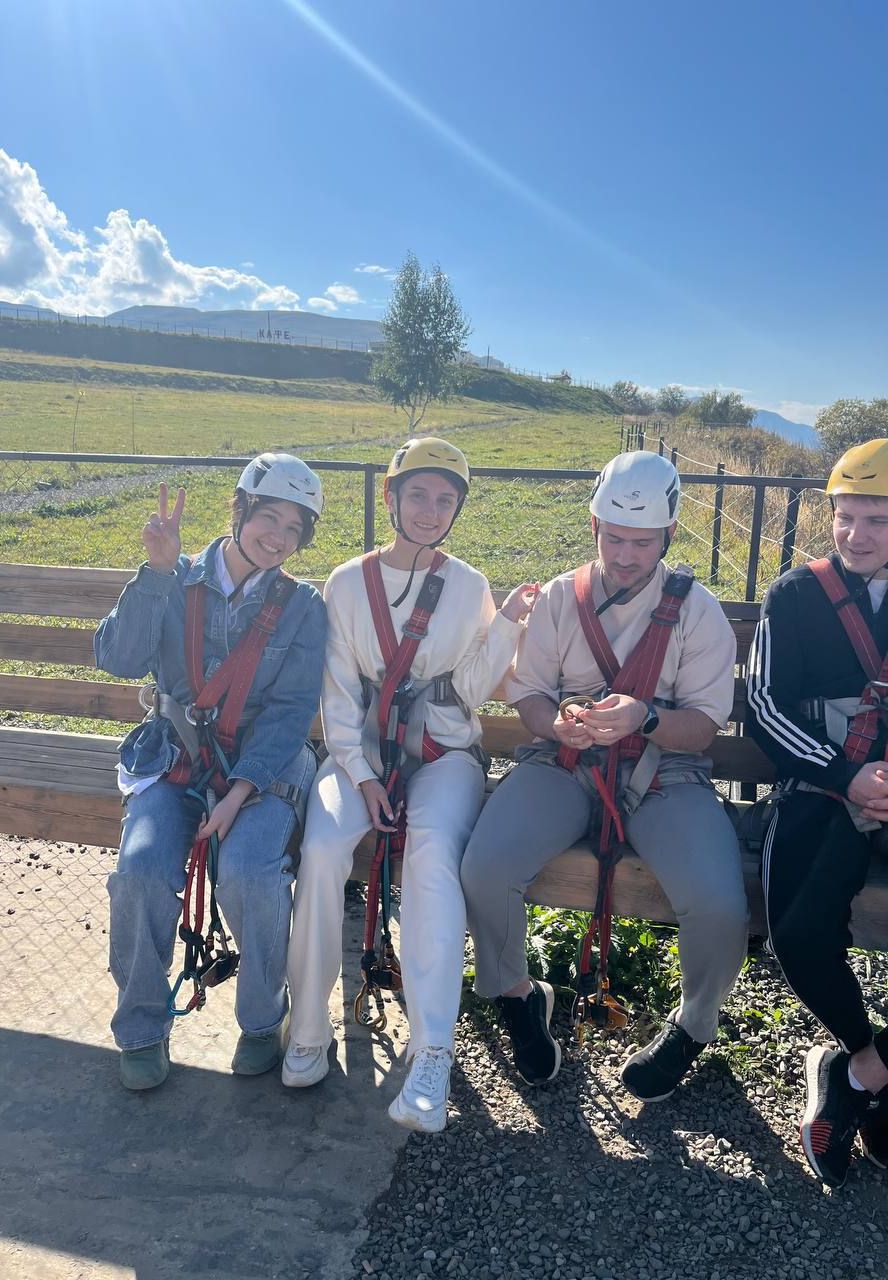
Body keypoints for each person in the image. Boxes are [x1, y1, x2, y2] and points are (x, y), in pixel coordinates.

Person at [461, 450, 749, 1101]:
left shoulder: (697, 611)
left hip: (664, 774)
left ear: (667, 535)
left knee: (721, 905)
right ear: (594, 526)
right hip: (564, 765)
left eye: (642, 542)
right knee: (485, 868)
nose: (624, 555)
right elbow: (531, 695)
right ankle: (517, 994)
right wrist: (555, 725)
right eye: (613, 538)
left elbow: (702, 727)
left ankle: (693, 1026)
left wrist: (645, 718)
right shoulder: (561, 599)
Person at [283, 437, 537, 1133]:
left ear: (457, 510)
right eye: (418, 494)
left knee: (431, 857)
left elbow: (470, 692)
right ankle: (308, 1028)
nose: (430, 510)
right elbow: (339, 694)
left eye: (445, 500)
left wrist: (507, 625)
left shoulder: (470, 586)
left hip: (444, 756)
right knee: (321, 850)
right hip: (358, 756)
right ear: (391, 498)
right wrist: (362, 776)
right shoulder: (345, 584)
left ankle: (432, 1053)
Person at [95, 453, 328, 1090]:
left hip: (267, 766)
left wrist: (241, 790)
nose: (278, 537)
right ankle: (142, 1029)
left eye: (295, 528)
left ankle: (262, 1021)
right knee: (140, 871)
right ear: (240, 510)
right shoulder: (174, 579)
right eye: (269, 517)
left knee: (251, 872)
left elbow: (291, 712)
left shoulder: (302, 606)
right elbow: (117, 658)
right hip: (175, 757)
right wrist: (155, 573)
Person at [747, 438, 888, 1187]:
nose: (857, 535)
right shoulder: (796, 595)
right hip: (822, 786)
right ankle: (862, 1062)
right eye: (846, 516)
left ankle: (861, 1078)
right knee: (798, 934)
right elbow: (764, 707)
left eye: (879, 520)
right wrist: (846, 774)